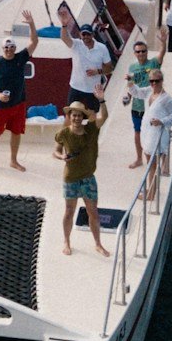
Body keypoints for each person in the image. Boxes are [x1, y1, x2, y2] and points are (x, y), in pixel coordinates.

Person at [0, 18, 40, 173]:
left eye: (12, 46)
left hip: (19, 103)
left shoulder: (20, 58)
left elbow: (34, 41)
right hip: (2, 106)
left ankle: (13, 161)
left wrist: (31, 23)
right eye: (6, 47)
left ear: (15, 48)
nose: (9, 49)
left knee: (16, 132)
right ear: (2, 48)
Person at [53, 100, 109, 256]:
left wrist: (101, 100)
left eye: (79, 116)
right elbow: (55, 151)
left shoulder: (91, 129)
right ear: (69, 116)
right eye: (74, 115)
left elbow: (104, 116)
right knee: (69, 211)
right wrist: (61, 156)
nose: (77, 118)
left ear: (83, 117)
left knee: (93, 212)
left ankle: (98, 244)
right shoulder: (63, 133)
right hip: (70, 178)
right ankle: (66, 241)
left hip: (88, 178)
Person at [57, 3, 111, 111]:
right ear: (80, 35)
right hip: (76, 87)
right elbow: (64, 38)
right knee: (70, 113)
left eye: (88, 34)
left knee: (94, 117)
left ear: (92, 35)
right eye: (83, 34)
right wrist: (64, 25)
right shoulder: (76, 44)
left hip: (93, 90)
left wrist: (97, 71)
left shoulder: (102, 48)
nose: (86, 37)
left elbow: (109, 68)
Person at [140, 74, 172, 200]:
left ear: (162, 81)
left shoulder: (166, 98)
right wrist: (130, 83)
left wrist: (161, 121)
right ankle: (151, 189)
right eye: (151, 81)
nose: (154, 83)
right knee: (150, 163)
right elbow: (137, 92)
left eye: (157, 81)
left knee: (152, 165)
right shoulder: (149, 92)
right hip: (147, 132)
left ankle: (151, 195)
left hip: (156, 135)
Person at [122, 40, 160, 168]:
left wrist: (164, 43)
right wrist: (128, 96)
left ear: (147, 52)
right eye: (138, 51)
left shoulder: (153, 63)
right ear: (135, 53)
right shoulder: (132, 68)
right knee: (138, 132)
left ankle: (153, 160)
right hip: (137, 106)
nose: (141, 53)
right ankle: (139, 159)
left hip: (151, 107)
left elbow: (162, 55)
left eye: (143, 51)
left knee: (152, 133)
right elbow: (132, 85)